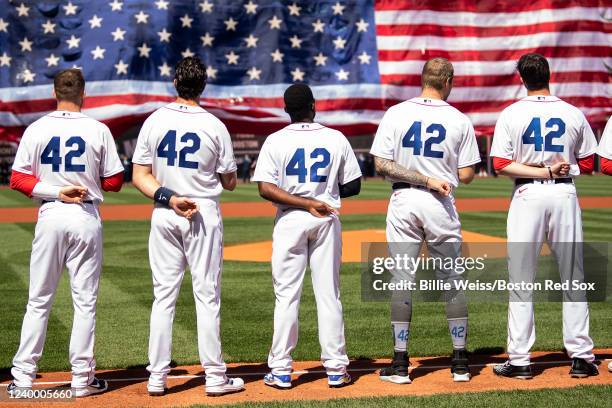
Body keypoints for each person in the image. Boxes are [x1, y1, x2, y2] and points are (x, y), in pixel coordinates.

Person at [131, 57, 244, 396]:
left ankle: (157, 377)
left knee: (163, 297)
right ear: (203, 85)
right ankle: (214, 377)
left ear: (175, 82)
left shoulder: (155, 119)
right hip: (202, 211)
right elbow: (230, 182)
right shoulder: (214, 124)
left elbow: (139, 175)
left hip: (166, 209)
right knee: (206, 296)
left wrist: (168, 196)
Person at [8, 68, 124, 397]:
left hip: (50, 214)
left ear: (54, 92)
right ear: (82, 93)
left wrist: (54, 190)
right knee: (84, 302)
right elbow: (115, 182)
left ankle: (24, 379)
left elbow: (18, 179)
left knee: (38, 300)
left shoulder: (37, 128)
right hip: (84, 215)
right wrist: (85, 182)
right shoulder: (98, 129)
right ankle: (82, 379)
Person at [370, 58, 480, 384]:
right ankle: (460, 361)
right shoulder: (459, 119)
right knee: (451, 279)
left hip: (404, 200)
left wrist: (419, 176)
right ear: (448, 81)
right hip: (441, 203)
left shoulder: (397, 113)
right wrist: (437, 175)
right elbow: (468, 174)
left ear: (423, 79)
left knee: (402, 279)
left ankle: (401, 364)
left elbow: (381, 164)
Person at [490, 53, 598, 379]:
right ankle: (581, 357)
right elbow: (590, 162)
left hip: (527, 194)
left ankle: (521, 360)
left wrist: (541, 170)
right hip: (564, 193)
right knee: (573, 276)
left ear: (522, 78)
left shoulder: (511, 113)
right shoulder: (572, 112)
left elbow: (499, 164)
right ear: (549, 75)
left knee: (522, 279)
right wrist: (555, 166)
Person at [252, 84, 361, 389]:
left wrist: (302, 200)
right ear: (314, 105)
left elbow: (265, 188)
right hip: (326, 216)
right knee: (329, 295)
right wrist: (320, 195)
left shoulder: (276, 140)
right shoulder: (334, 137)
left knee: (287, 296)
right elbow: (353, 186)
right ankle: (337, 369)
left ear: (286, 109)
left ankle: (282, 370)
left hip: (290, 218)